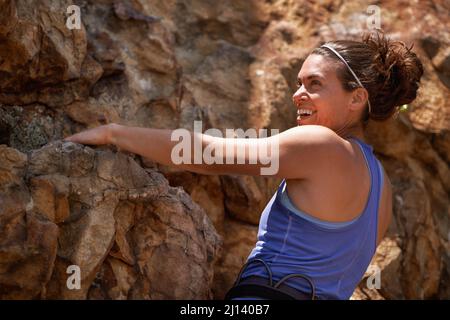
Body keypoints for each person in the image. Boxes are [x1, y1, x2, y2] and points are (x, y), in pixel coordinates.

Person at [64, 30, 424, 300]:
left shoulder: (322, 144)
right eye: (299, 83)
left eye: (315, 84)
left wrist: (115, 134)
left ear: (356, 98)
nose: (298, 93)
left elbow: (207, 155)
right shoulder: (382, 187)